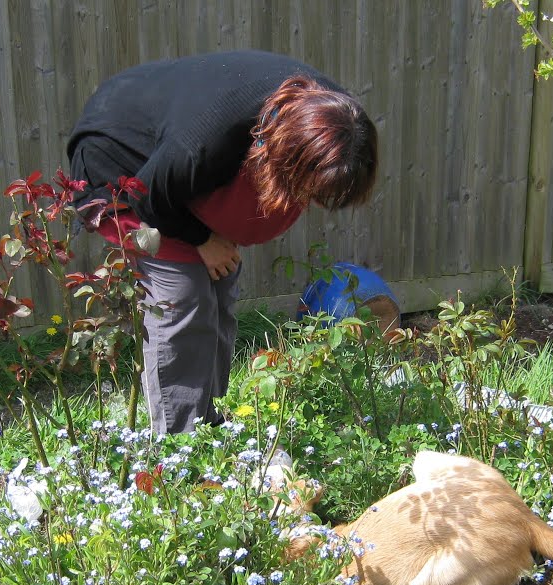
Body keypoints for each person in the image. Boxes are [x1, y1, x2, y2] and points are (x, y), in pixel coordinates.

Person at [66, 49, 379, 435]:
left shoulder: (340, 121)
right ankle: (181, 449)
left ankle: (209, 428)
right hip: (121, 159)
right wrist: (201, 239)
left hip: (175, 162)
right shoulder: (204, 142)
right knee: (183, 297)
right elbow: (149, 196)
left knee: (219, 288)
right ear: (285, 155)